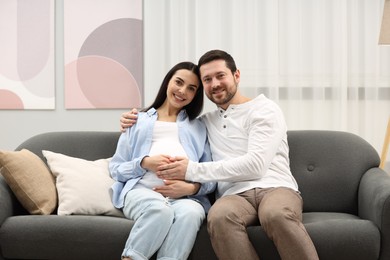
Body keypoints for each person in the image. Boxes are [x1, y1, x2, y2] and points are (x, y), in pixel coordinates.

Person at [120, 50, 319, 260]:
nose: (214, 84)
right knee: (219, 217)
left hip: (274, 187)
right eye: (207, 79)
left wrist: (191, 170)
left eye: (220, 75)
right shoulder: (204, 123)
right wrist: (133, 118)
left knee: (275, 214)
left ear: (236, 75)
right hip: (234, 194)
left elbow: (256, 165)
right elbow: (172, 123)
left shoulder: (264, 109)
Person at [110, 61, 216, 260]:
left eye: (191, 88)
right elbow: (115, 169)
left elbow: (210, 176)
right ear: (168, 82)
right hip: (141, 192)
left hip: (185, 199)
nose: (182, 91)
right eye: (179, 82)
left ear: (195, 95)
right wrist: (144, 163)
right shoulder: (136, 121)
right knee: (159, 210)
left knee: (192, 213)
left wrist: (190, 189)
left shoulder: (199, 128)